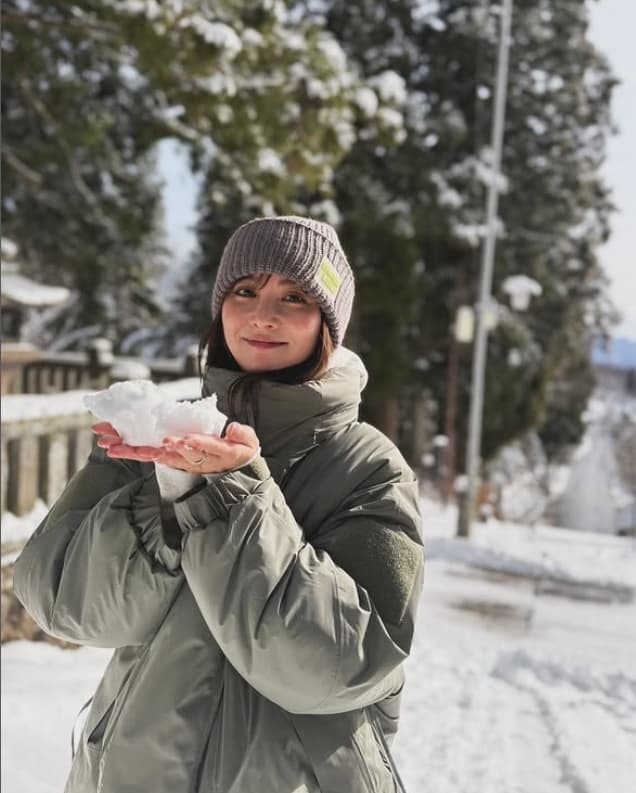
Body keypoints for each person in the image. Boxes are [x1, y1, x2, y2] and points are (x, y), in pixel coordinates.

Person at [14, 215, 424, 793]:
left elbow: (340, 667)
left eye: (296, 297)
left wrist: (230, 493)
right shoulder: (158, 432)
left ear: (330, 325)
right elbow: (60, 603)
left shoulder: (370, 469)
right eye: (245, 290)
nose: (264, 313)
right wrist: (168, 492)